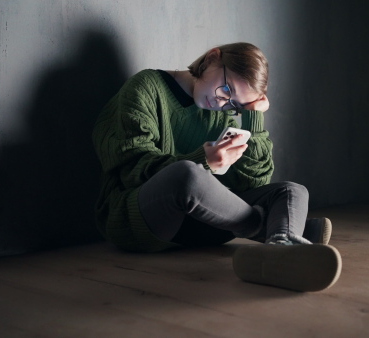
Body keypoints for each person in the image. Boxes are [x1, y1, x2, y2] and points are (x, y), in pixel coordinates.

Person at [92, 42, 341, 292]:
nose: (222, 104)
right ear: (212, 58)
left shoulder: (222, 115)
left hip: (206, 227)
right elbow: (130, 168)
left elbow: (254, 184)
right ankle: (272, 229)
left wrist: (252, 116)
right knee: (187, 175)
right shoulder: (146, 87)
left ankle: (280, 250)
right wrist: (205, 161)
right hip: (142, 220)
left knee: (291, 191)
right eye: (226, 89)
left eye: (234, 104)